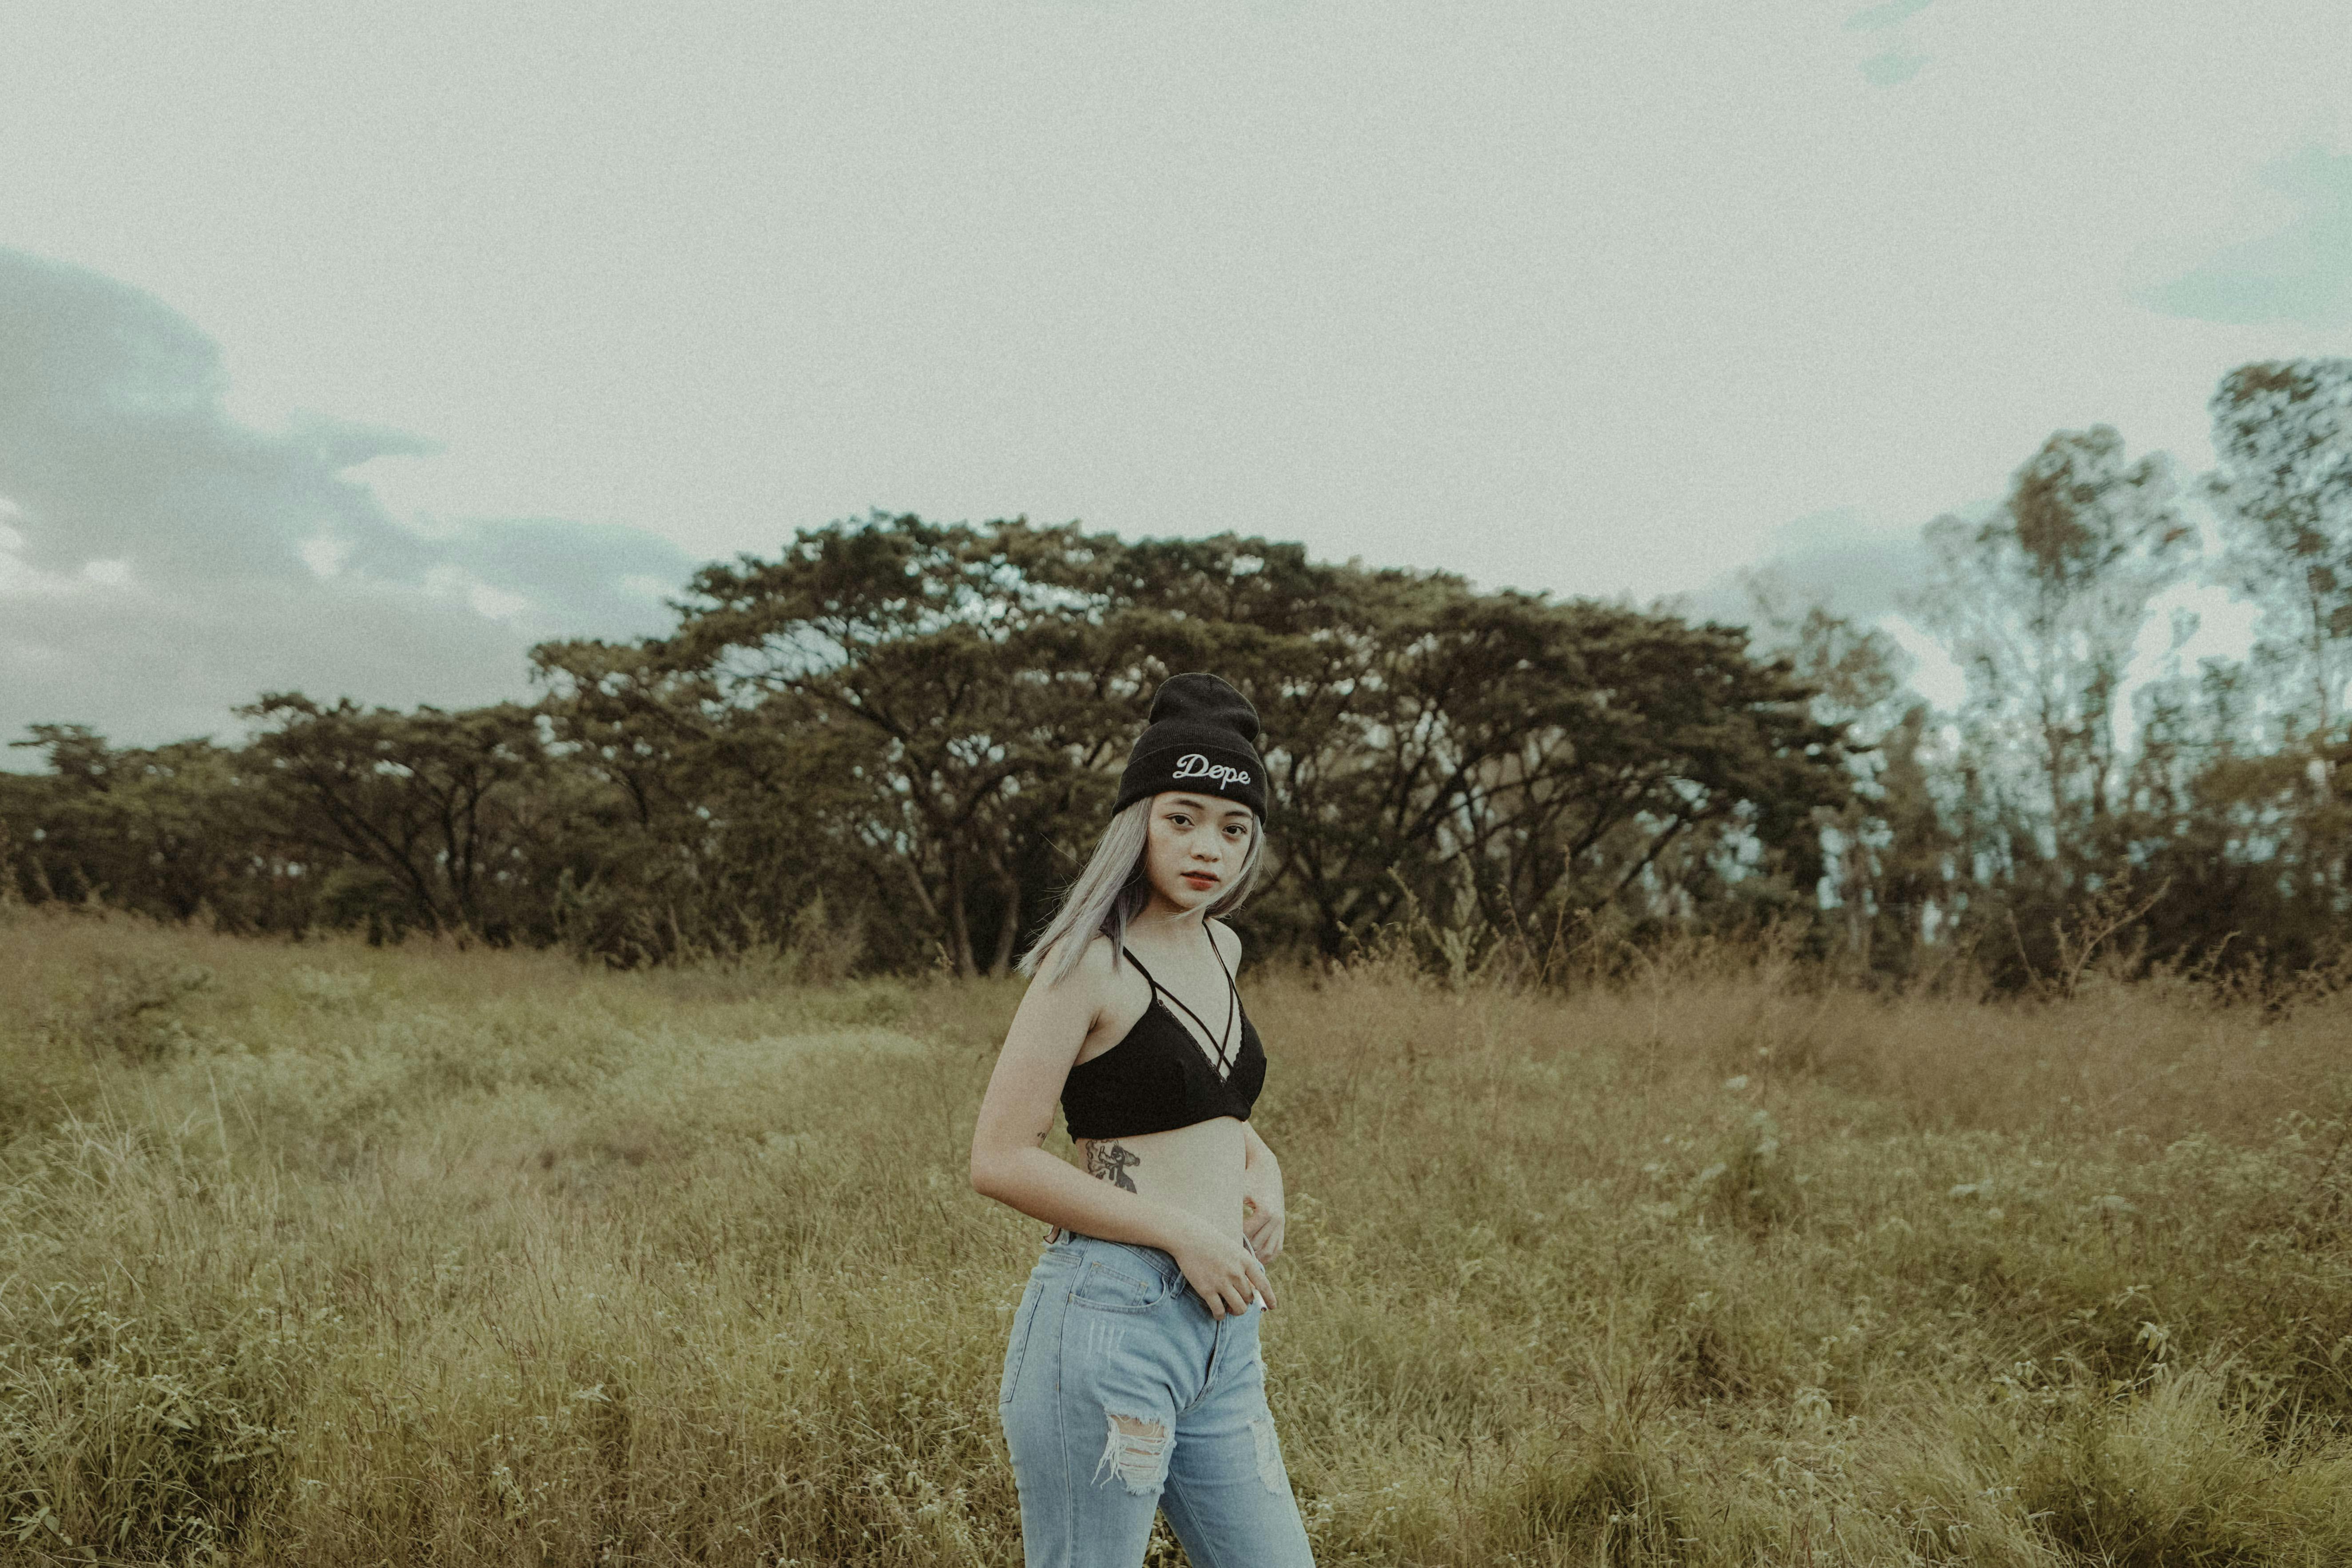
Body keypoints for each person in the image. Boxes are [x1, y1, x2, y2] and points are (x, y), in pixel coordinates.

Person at [969, 673, 1316, 1568]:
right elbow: (1000, 1156)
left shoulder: (1220, 943)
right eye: (1183, 816)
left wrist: (1261, 1164)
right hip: (1107, 1324)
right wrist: (1180, 1232)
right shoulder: (1085, 964)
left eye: (1233, 826)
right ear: (1139, 820)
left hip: (1222, 1337)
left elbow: (1200, 1101)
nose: (1209, 846)